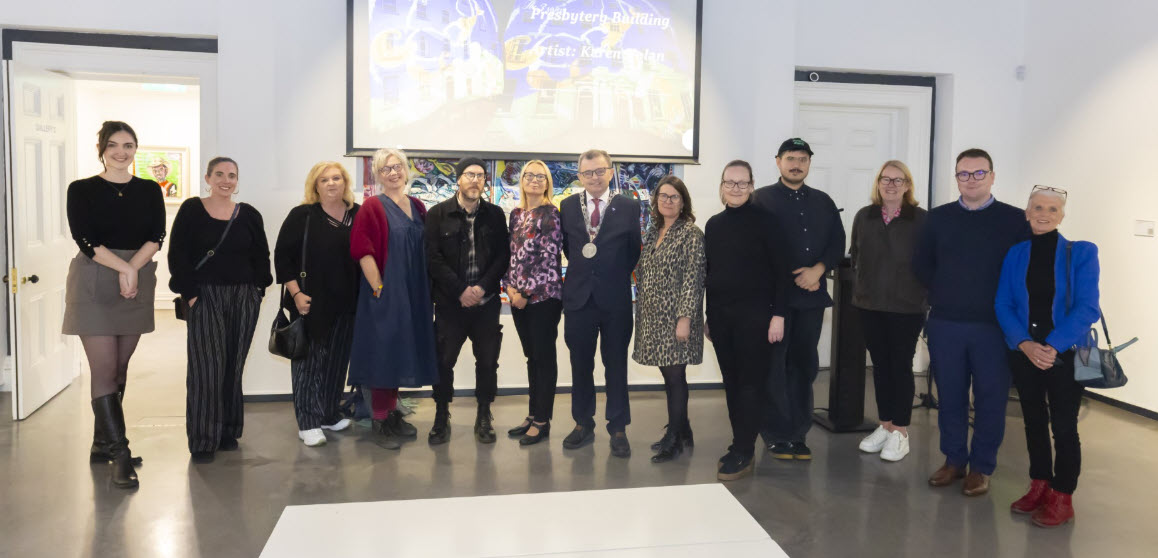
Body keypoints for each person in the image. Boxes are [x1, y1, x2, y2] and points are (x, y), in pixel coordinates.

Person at [913, 148, 1031, 496]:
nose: (971, 180)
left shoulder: (1015, 220)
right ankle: (953, 460)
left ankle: (981, 467)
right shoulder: (937, 219)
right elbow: (921, 264)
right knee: (949, 395)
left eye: (979, 173)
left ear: (992, 176)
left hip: (995, 327)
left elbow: (1023, 272)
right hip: (946, 322)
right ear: (957, 178)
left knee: (990, 397)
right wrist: (943, 292)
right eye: (964, 174)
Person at [64, 121, 165, 489]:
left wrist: (134, 269)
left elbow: (157, 235)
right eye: (113, 145)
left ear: (136, 148)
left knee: (120, 368)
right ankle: (119, 453)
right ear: (102, 149)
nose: (121, 151)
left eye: (128, 144)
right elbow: (84, 237)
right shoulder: (82, 189)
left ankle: (100, 442)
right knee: (104, 370)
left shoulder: (149, 190)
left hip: (137, 277)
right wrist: (124, 268)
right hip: (95, 275)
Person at [996, 186, 1099, 527]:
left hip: (1067, 354)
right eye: (1037, 207)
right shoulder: (1016, 253)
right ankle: (1039, 484)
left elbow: (1088, 308)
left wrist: (1051, 346)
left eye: (1052, 209)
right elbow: (1003, 304)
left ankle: (1062, 495)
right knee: (1033, 422)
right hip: (1024, 353)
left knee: (1065, 427)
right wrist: (1025, 343)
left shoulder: (1081, 252)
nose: (1043, 213)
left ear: (1062, 216)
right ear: (1027, 213)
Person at [168, 157, 271, 462]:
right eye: (220, 175)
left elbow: (261, 254)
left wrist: (258, 289)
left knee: (233, 365)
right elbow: (178, 253)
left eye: (232, 176)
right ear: (208, 178)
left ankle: (227, 430)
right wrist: (190, 294)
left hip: (243, 297)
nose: (226, 180)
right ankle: (202, 439)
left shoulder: (249, 214)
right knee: (206, 369)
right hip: (205, 296)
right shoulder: (191, 209)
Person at [753, 138, 845, 461]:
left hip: (811, 298)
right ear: (777, 161)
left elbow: (837, 242)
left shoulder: (824, 202)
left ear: (809, 163)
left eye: (802, 159)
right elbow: (753, 249)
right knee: (774, 367)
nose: (796, 164)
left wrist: (818, 270)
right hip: (773, 302)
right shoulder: (759, 200)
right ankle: (776, 434)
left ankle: (798, 433)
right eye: (790, 158)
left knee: (804, 367)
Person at [349, 148, 439, 450]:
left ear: (406, 170)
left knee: (402, 351)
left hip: (414, 292)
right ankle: (379, 419)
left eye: (397, 166)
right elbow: (363, 250)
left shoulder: (417, 205)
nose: (393, 173)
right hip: (386, 292)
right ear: (378, 174)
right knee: (383, 353)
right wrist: (378, 288)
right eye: (386, 169)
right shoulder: (372, 206)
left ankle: (391, 414)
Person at [705, 160, 788, 480]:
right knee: (732, 384)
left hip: (757, 318)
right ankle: (739, 442)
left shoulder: (768, 222)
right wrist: (709, 317)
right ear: (722, 186)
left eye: (742, 183)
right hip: (722, 320)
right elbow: (711, 275)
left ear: (752, 186)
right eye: (730, 183)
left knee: (750, 385)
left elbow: (782, 274)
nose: (735, 189)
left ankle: (744, 449)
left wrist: (778, 316)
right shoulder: (714, 225)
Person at [559, 149, 642, 457]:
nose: (593, 177)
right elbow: (569, 248)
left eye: (599, 171)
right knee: (580, 365)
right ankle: (583, 423)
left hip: (615, 300)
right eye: (587, 173)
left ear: (610, 172)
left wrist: (611, 274)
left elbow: (633, 249)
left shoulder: (629, 207)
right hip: (579, 299)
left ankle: (618, 427)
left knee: (615, 365)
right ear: (580, 176)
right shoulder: (567, 206)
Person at [274, 162, 361, 447]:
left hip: (348, 302)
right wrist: (296, 294)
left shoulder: (357, 214)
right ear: (315, 185)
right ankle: (308, 422)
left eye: (337, 178)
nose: (332, 183)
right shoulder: (303, 215)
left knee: (337, 362)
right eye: (325, 180)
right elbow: (282, 256)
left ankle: (328, 414)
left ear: (345, 182)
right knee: (309, 364)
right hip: (310, 301)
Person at [424, 158, 510, 445]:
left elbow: (502, 257)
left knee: (487, 362)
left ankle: (484, 414)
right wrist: (461, 290)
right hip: (450, 304)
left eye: (481, 175)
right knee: (443, 361)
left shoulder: (496, 215)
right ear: (458, 180)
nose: (476, 180)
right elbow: (433, 259)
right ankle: (440, 415)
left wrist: (482, 288)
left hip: (486, 305)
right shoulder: (437, 214)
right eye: (470, 174)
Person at [849, 160, 928, 462]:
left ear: (908, 185)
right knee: (880, 367)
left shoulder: (920, 220)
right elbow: (855, 256)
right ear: (878, 183)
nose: (891, 184)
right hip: (870, 305)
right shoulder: (864, 216)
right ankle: (885, 425)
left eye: (898, 180)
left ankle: (901, 431)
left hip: (907, 307)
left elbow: (930, 263)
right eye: (886, 179)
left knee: (900, 366)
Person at [632, 175, 705, 463]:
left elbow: (693, 279)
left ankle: (674, 438)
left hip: (677, 319)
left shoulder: (691, 234)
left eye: (673, 196)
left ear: (683, 200)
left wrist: (684, 319)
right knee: (668, 375)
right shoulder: (654, 231)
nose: (667, 201)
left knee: (675, 377)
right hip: (652, 318)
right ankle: (682, 428)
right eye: (662, 196)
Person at [503, 160, 564, 446]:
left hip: (543, 298)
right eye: (530, 175)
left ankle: (542, 420)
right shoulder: (516, 214)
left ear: (547, 182)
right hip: (518, 298)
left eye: (541, 176)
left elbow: (547, 258)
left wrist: (524, 294)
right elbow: (511, 256)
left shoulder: (551, 213)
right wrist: (510, 289)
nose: (535, 180)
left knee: (543, 358)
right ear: (522, 180)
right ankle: (532, 414)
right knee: (532, 358)